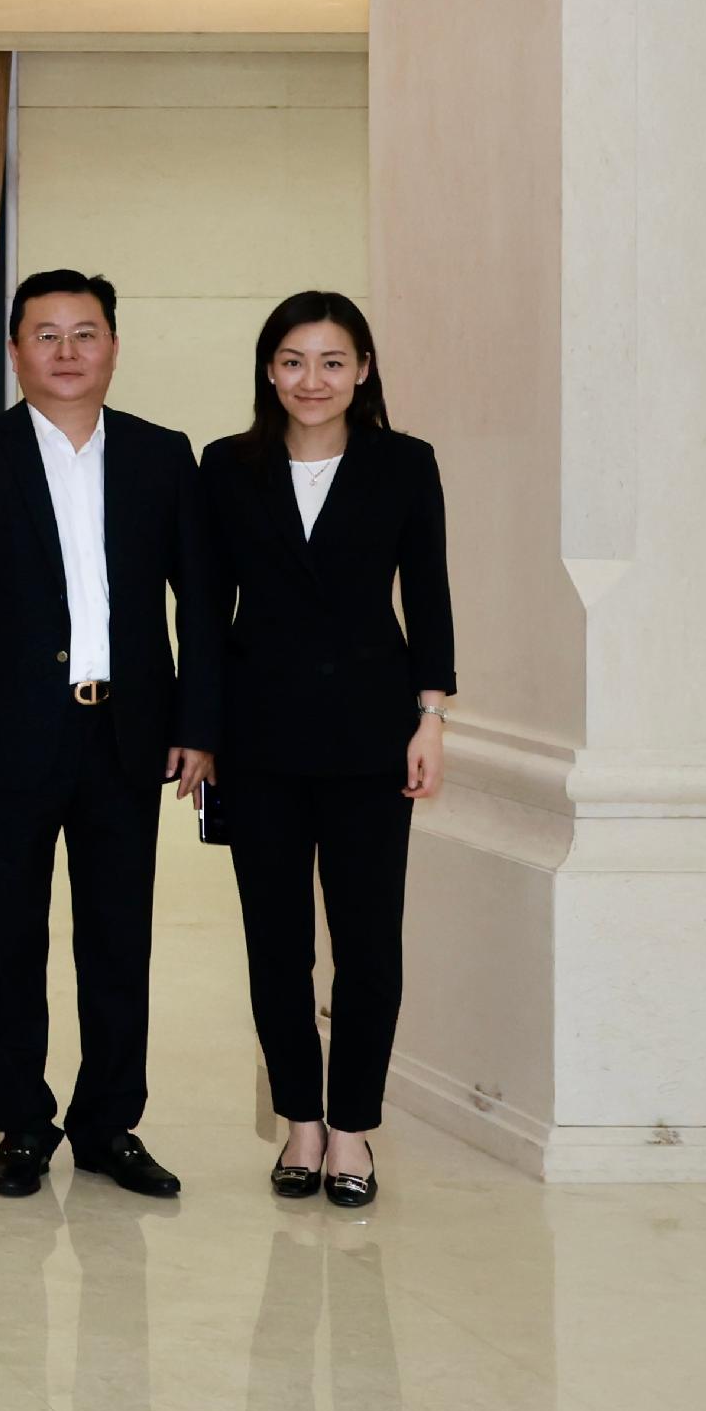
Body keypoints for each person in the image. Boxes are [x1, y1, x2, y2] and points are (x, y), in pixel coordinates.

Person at [0, 268, 222, 1199]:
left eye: (85, 333)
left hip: (129, 734)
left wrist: (199, 725)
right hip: (6, 738)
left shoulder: (163, 457)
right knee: (6, 934)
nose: (67, 352)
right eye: (45, 335)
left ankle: (107, 1123)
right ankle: (20, 1121)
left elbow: (202, 604)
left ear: (114, 347)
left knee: (118, 936)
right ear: (15, 352)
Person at [204, 291, 454, 1213]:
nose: (314, 379)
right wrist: (202, 732)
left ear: (363, 371)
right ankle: (299, 1121)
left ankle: (352, 1124)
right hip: (258, 739)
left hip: (370, 735)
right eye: (296, 361)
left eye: (334, 361)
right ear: (270, 370)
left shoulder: (404, 465)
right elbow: (203, 607)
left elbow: (427, 596)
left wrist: (431, 716)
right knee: (275, 942)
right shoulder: (228, 467)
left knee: (367, 942)